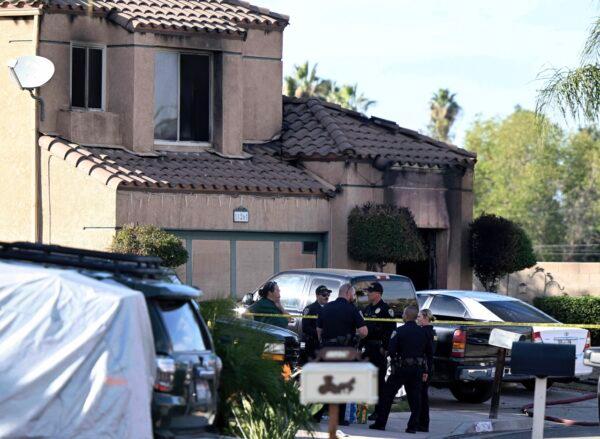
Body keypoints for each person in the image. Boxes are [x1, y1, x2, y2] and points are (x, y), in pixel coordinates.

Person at [370, 305, 432, 433]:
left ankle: (380, 423)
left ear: (406, 316)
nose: (402, 316)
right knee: (415, 399)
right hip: (417, 370)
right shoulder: (423, 332)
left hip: (401, 369)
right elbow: (428, 352)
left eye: (403, 314)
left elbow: (392, 351)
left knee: (387, 395)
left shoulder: (399, 331)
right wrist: (426, 370)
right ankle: (412, 427)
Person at [316, 283, 368, 425]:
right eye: (353, 294)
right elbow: (364, 331)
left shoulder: (325, 308)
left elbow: (319, 331)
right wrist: (356, 337)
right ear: (348, 294)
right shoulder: (352, 309)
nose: (354, 297)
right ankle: (338, 419)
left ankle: (316, 415)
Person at [360, 281, 396, 420]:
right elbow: (363, 329)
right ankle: (362, 409)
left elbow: (391, 331)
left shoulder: (386, 310)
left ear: (378, 294)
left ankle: (379, 411)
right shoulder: (367, 309)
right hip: (367, 348)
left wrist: (386, 348)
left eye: (370, 291)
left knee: (379, 382)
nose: (368, 294)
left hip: (379, 349)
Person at [300, 285, 331, 365]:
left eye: (328, 295)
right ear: (317, 296)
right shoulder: (310, 309)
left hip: (325, 344)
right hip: (312, 344)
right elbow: (305, 327)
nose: (326, 297)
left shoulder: (330, 309)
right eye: (324, 295)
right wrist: (319, 333)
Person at [417, 308, 436, 433]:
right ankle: (421, 423)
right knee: (421, 396)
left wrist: (425, 372)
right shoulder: (430, 331)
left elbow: (429, 354)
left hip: (425, 368)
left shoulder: (427, 332)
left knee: (422, 398)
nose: (417, 318)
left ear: (425, 317)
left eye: (419, 316)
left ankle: (423, 424)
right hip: (426, 367)